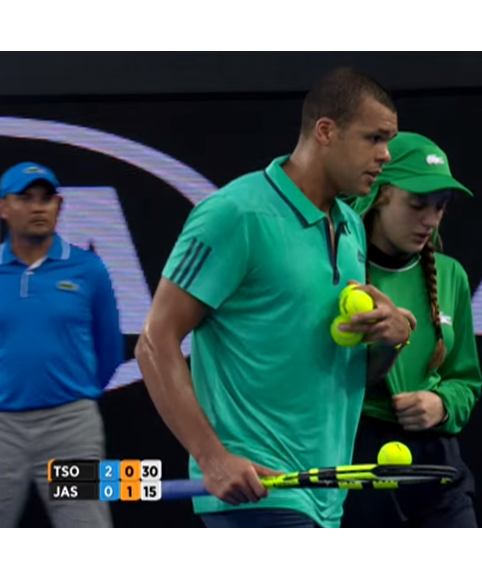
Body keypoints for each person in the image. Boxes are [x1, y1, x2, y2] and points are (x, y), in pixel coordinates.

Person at [135, 67, 413, 529]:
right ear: (326, 131)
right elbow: (153, 342)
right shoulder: (235, 214)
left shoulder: (350, 228)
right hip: (259, 493)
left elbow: (350, 373)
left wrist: (389, 340)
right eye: (374, 139)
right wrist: (213, 458)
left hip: (323, 497)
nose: (386, 156)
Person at [0, 162, 123, 528]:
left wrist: (74, 394)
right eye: (25, 197)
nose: (38, 207)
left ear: (59, 206)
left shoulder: (89, 269)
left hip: (71, 429)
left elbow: (110, 349)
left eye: (47, 199)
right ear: (2, 207)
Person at [340, 132, 482, 528]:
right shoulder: (337, 269)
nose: (431, 220)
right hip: (356, 460)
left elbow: (465, 380)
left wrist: (442, 405)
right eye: (418, 204)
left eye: (441, 207)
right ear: (381, 195)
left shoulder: (450, 275)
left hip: (438, 463)